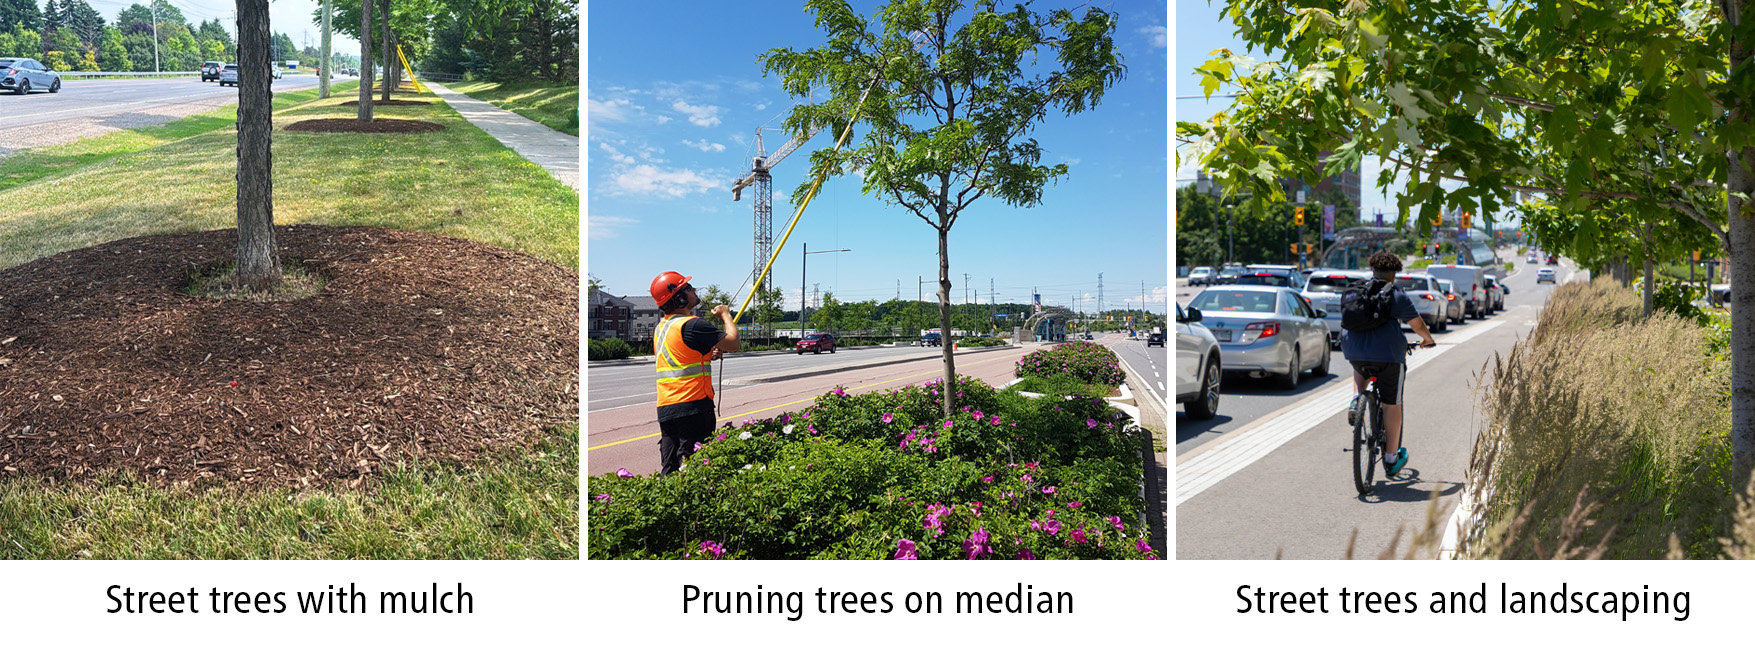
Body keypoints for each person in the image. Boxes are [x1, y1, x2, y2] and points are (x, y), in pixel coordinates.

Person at [1341, 251, 1436, 477]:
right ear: (1394, 274)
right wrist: (1428, 340)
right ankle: (1392, 459)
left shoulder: (1357, 291)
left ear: (1373, 270)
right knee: (1392, 403)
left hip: (1353, 350)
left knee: (1360, 365)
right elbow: (1418, 324)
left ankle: (1356, 399)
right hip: (1388, 355)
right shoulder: (1396, 295)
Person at [649, 271, 740, 474]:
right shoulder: (692, 324)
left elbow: (680, 357)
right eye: (688, 288)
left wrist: (708, 354)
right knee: (695, 468)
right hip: (693, 406)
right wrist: (726, 314)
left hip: (667, 407)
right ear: (679, 297)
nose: (694, 290)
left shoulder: (662, 327)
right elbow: (734, 343)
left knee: (670, 467)